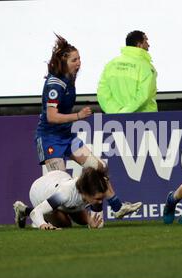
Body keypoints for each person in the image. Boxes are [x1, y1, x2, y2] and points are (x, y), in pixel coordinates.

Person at [35, 34, 141, 219]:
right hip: (50, 140)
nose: (79, 63)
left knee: (99, 166)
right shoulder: (55, 85)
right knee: (60, 187)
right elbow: (51, 117)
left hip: (67, 137)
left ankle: (116, 207)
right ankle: (32, 213)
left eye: (79, 58)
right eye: (74, 60)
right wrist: (78, 116)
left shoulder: (69, 79)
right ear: (63, 61)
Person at [13, 167, 135, 230]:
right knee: (64, 223)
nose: (100, 202)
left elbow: (97, 224)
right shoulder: (64, 194)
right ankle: (23, 210)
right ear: (86, 192)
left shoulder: (95, 189)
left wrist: (91, 224)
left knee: (83, 221)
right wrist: (43, 225)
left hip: (59, 178)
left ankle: (59, 210)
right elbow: (36, 213)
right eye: (97, 199)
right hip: (39, 190)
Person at [97, 30, 158, 113]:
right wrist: (125, 113)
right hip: (145, 122)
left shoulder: (111, 64)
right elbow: (144, 96)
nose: (148, 44)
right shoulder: (147, 67)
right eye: (146, 41)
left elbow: (102, 93)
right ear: (139, 45)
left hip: (114, 121)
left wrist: (116, 112)